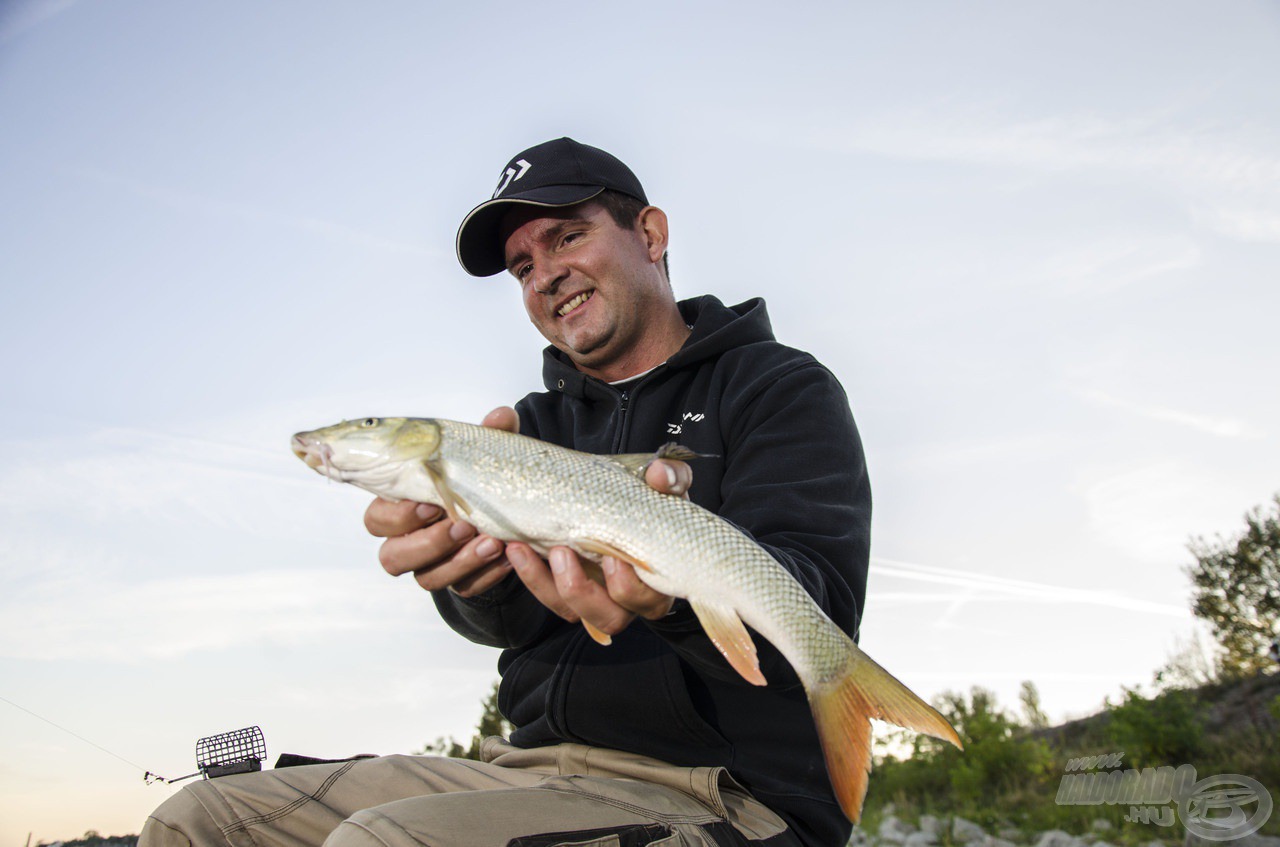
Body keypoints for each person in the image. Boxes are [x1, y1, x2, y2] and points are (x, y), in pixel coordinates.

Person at [140, 138, 872, 847]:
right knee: (196, 819)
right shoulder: (529, 426)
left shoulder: (777, 386)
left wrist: (671, 600)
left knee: (384, 840)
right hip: (519, 770)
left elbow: (819, 602)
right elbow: (510, 621)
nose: (544, 274)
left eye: (565, 237)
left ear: (650, 234)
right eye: (522, 265)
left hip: (719, 792)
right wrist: (470, 581)